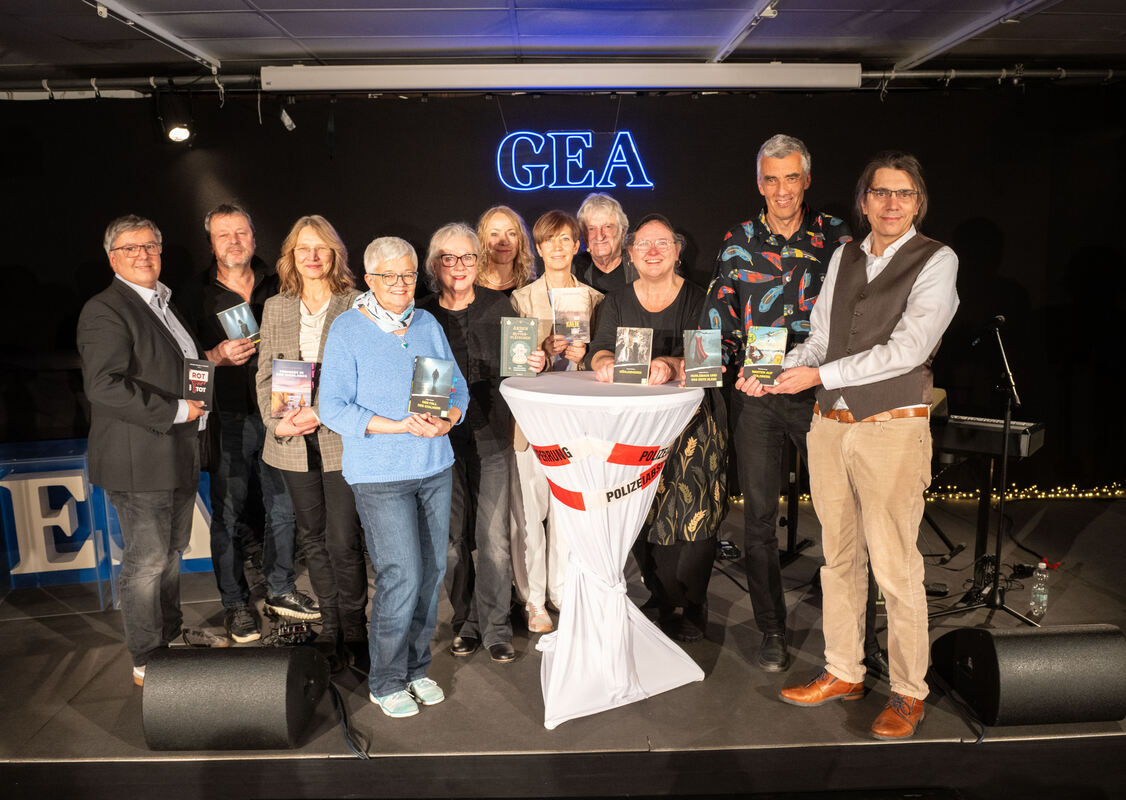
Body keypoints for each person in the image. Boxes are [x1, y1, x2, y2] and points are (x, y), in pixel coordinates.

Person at [774, 152, 959, 740]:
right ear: (864, 200)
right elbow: (821, 337)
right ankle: (844, 670)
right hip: (830, 424)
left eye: (903, 194)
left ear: (918, 202)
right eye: (881, 192)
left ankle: (908, 692)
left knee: (895, 566)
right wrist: (783, 367)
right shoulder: (845, 255)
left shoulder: (936, 259)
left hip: (892, 427)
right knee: (840, 559)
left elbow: (909, 349)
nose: (891, 203)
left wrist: (819, 375)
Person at [700, 134, 855, 672]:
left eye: (791, 178)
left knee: (842, 515)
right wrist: (705, 375)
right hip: (759, 398)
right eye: (772, 178)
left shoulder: (837, 237)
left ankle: (853, 636)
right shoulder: (738, 239)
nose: (782, 189)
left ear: (806, 180)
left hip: (822, 393)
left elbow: (856, 316)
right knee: (758, 521)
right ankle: (771, 628)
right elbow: (718, 317)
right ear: (759, 182)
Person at [319, 236, 468, 719]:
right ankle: (385, 681)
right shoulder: (347, 328)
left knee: (432, 573)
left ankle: (416, 668)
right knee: (401, 574)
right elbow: (331, 408)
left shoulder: (426, 323)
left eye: (408, 274)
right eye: (390, 276)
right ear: (370, 280)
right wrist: (398, 425)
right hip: (380, 474)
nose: (402, 284)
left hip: (434, 466)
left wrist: (448, 420)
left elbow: (457, 389)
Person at [77, 215, 208, 686]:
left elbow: (178, 367)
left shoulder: (165, 304)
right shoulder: (106, 309)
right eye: (130, 248)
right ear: (112, 258)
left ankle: (170, 639)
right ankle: (147, 658)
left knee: (170, 555)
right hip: (139, 459)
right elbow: (103, 386)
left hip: (177, 451)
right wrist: (178, 410)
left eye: (150, 245)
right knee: (147, 561)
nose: (143, 255)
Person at [589, 213, 728, 642]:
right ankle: (662, 596)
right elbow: (599, 351)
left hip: (693, 426)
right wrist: (606, 363)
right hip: (636, 426)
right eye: (643, 244)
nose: (652, 251)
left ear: (677, 252)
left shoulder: (701, 299)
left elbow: (709, 363)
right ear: (630, 254)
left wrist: (670, 364)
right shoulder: (616, 302)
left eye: (662, 243)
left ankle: (694, 601)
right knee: (642, 512)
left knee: (695, 515)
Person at [179, 202, 313, 644]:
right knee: (229, 513)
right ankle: (236, 604)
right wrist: (215, 356)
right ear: (211, 243)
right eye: (224, 235)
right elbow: (182, 364)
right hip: (230, 417)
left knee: (283, 509)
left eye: (241, 233)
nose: (234, 242)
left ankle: (279, 589)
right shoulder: (192, 295)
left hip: (283, 412)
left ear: (254, 237)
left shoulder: (283, 282)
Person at [418, 223, 547, 663]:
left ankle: (495, 627)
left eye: (468, 257)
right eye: (449, 258)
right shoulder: (421, 315)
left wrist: (534, 362)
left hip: (491, 437)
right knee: (452, 541)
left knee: (492, 539)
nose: (459, 266)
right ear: (435, 265)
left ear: (478, 262)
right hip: (438, 445)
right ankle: (465, 622)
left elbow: (518, 369)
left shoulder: (499, 306)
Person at [255, 215, 367, 671]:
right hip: (292, 441)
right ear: (291, 256)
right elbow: (265, 373)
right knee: (313, 539)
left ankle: (355, 629)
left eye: (321, 247)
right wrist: (275, 423)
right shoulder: (276, 306)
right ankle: (331, 626)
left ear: (335, 253)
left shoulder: (356, 303)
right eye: (303, 248)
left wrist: (322, 411)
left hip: (341, 438)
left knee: (343, 540)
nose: (313, 256)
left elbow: (365, 374)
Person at [510, 210, 604, 633]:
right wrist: (542, 354)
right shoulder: (520, 299)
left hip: (575, 421)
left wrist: (586, 357)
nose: (559, 247)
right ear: (539, 247)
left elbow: (606, 362)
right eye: (550, 240)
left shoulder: (594, 299)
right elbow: (513, 365)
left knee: (568, 512)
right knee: (530, 515)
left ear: (577, 245)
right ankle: (533, 600)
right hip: (532, 422)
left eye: (567, 239)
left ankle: (563, 591)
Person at [573, 192, 635, 294]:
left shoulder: (639, 267)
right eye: (591, 228)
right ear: (584, 236)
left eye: (607, 227)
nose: (600, 236)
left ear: (622, 231)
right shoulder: (573, 270)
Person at [475, 205, 536, 294]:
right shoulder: (469, 286)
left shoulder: (534, 287)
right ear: (482, 239)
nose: (504, 241)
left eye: (511, 234)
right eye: (494, 234)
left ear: (521, 240)